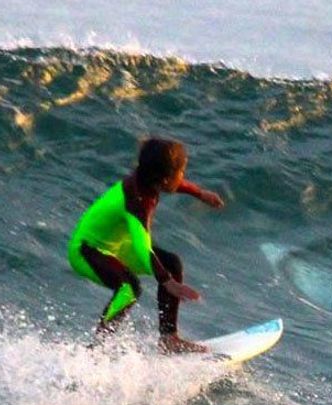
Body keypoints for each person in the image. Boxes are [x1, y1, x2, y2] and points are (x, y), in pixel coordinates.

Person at [68, 137, 224, 352]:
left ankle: (169, 339)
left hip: (115, 246)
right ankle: (97, 349)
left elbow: (174, 184)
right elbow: (143, 246)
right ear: (163, 179)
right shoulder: (137, 201)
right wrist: (167, 281)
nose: (182, 176)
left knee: (170, 262)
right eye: (180, 171)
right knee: (129, 288)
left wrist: (199, 193)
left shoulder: (145, 179)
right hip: (86, 250)